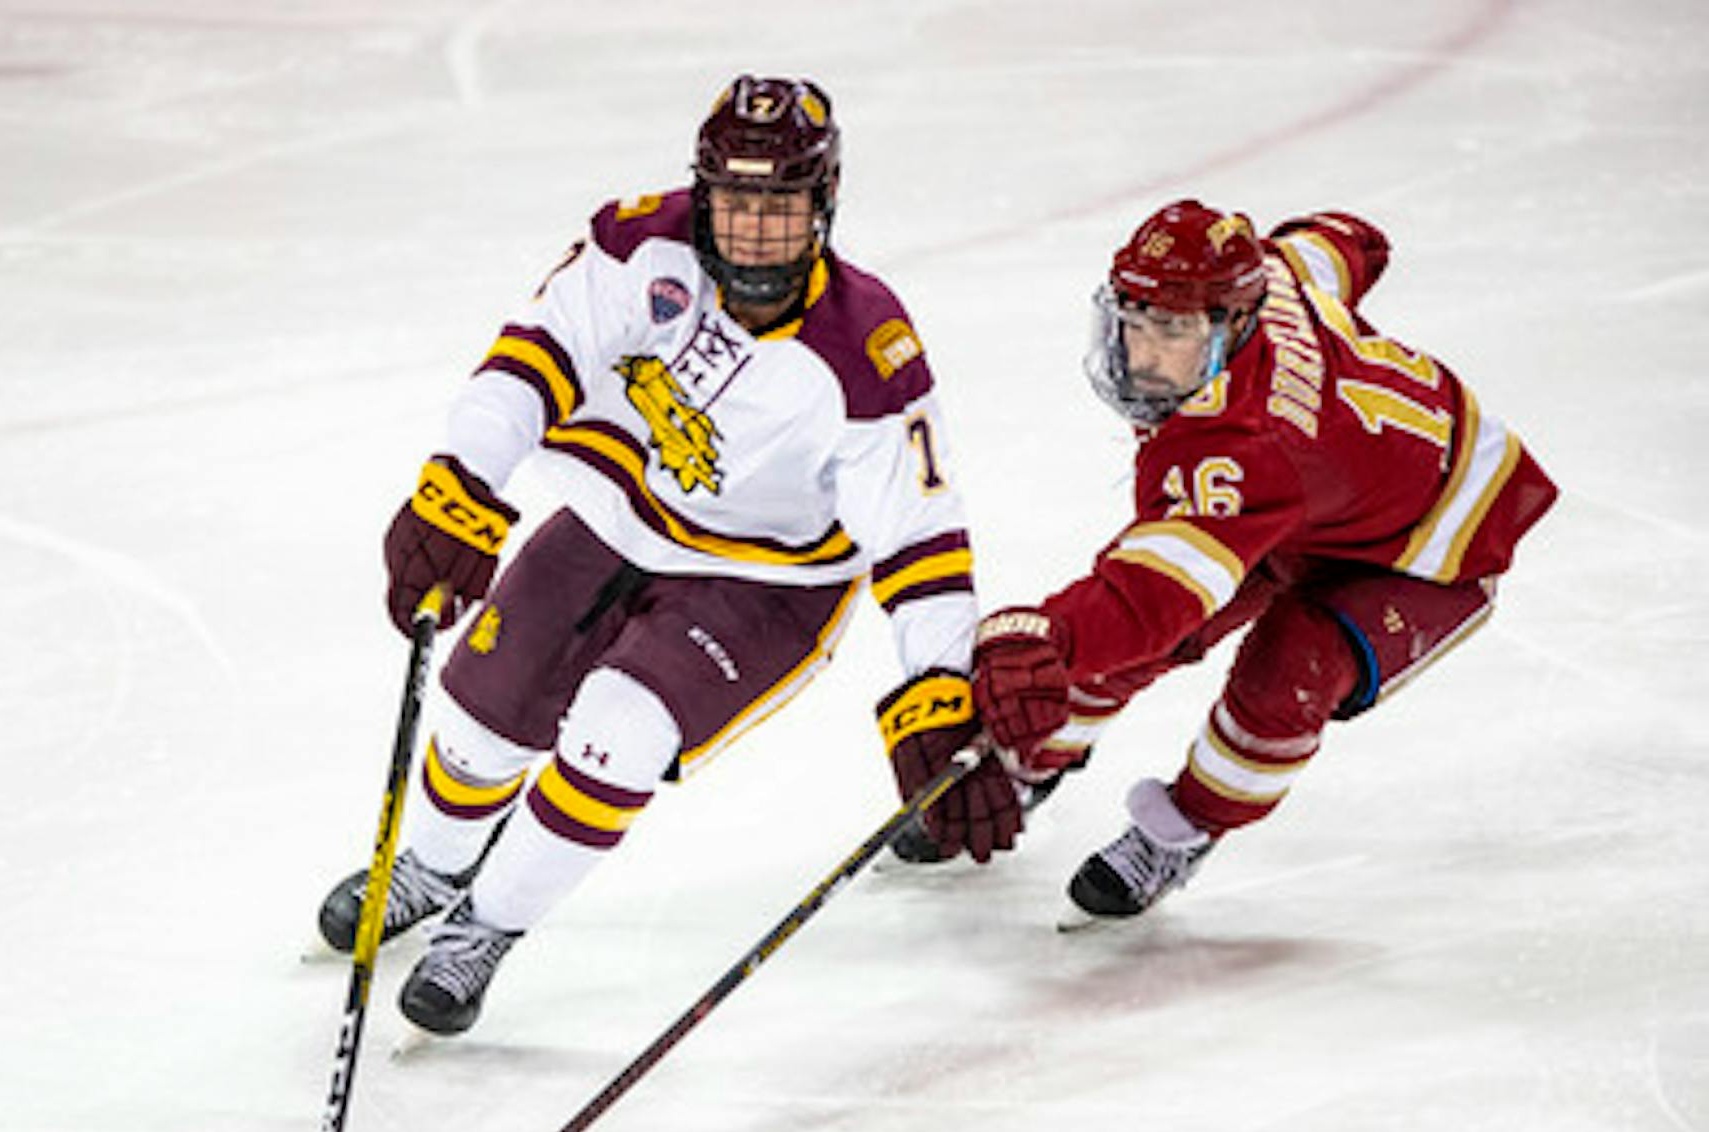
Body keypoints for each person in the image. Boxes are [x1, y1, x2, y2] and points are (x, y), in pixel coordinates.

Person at [315, 75, 1021, 1034]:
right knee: (487, 715)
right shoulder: (637, 241)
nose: (753, 235)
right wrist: (461, 482)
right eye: (735, 204)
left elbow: (921, 539)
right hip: (616, 520)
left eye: (781, 209)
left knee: (621, 730)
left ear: (825, 205)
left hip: (766, 583)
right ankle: (434, 866)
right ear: (702, 192)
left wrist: (941, 685)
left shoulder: (866, 346)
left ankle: (488, 923)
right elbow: (533, 357)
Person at [970, 199, 1558, 923]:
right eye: (1135, 317)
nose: (1145, 353)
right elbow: (1347, 243)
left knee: (1290, 666)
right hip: (1319, 507)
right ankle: (1041, 754)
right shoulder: (1268, 278)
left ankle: (1187, 827)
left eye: (1174, 329)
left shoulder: (1240, 446)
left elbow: (1143, 601)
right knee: (1166, 627)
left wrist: (1042, 634)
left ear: (1233, 324)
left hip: (1435, 544)